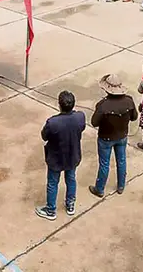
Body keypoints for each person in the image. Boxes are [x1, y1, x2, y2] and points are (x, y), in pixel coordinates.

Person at [35, 90, 86, 220]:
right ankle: (70, 205)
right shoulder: (80, 117)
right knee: (71, 179)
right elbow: (81, 128)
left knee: (52, 183)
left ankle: (51, 210)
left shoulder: (53, 123)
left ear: (59, 105)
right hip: (72, 155)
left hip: (56, 158)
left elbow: (44, 136)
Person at [89, 73, 137, 198]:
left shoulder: (103, 105)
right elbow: (134, 117)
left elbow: (94, 122)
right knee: (121, 161)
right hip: (122, 136)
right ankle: (121, 186)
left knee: (104, 164)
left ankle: (99, 189)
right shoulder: (129, 101)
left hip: (105, 138)